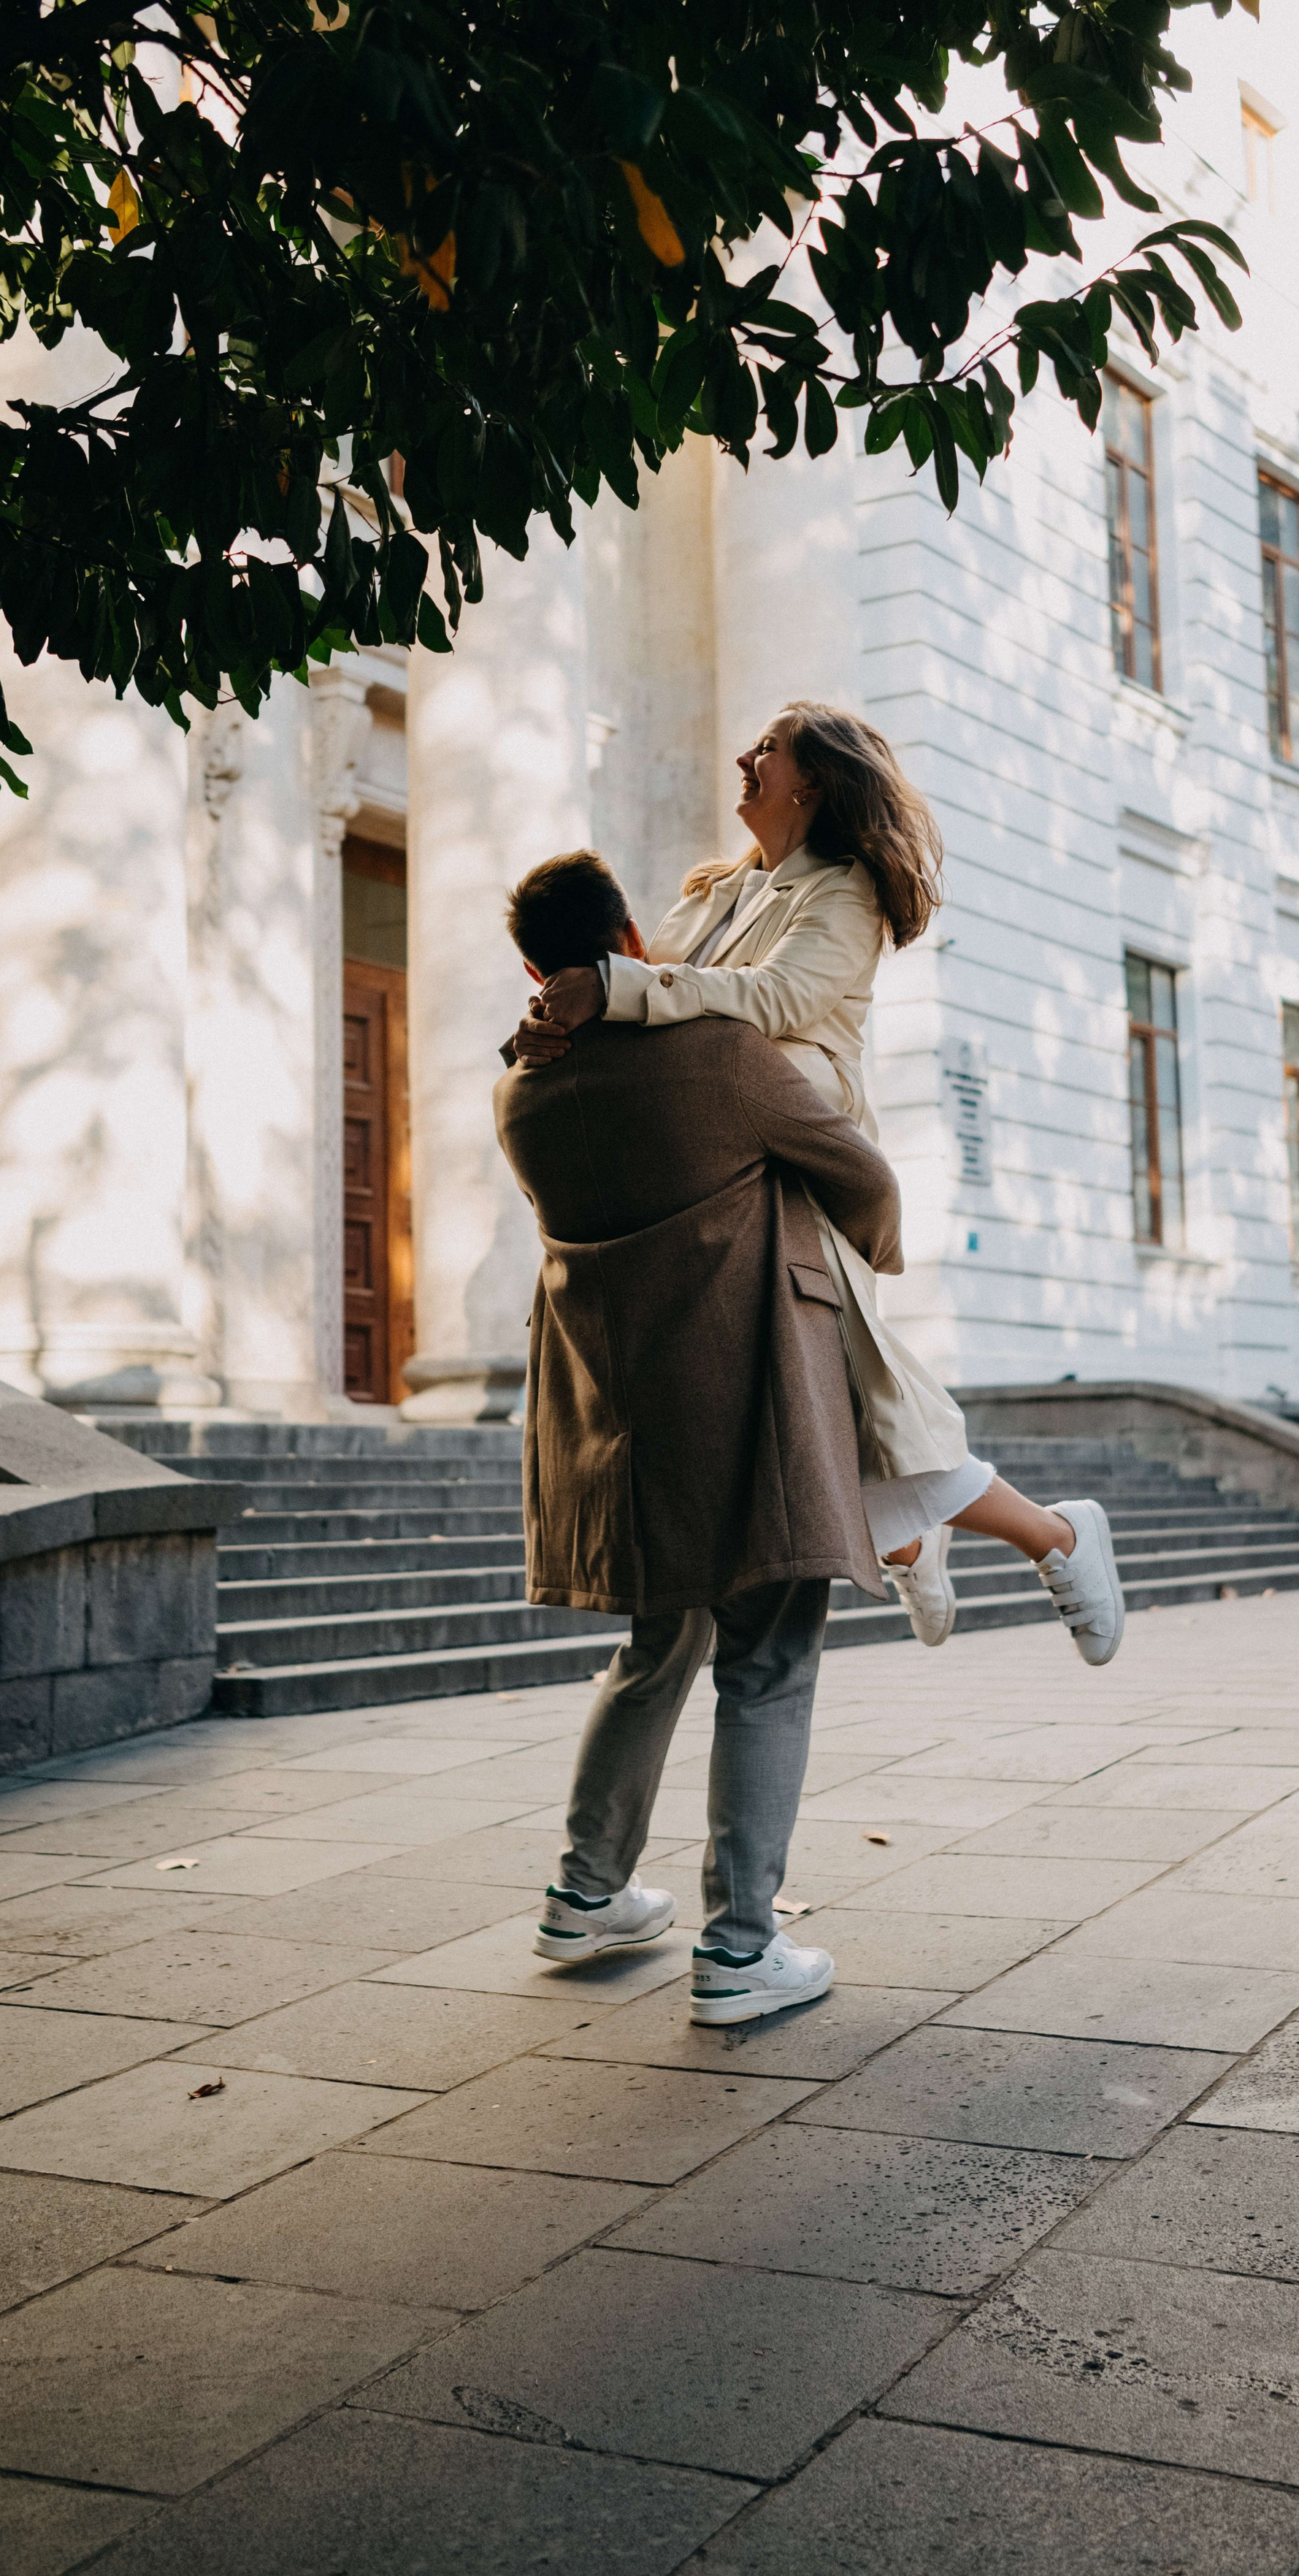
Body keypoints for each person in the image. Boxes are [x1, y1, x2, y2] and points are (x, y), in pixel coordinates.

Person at [513, 704, 1126, 1665]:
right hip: (724, 1176)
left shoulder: (843, 890)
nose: (743, 757)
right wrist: (547, 1025)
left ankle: (1053, 1535)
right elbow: (643, 1004)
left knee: (859, 1398)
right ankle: (934, 1539)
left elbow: (775, 1002)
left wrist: (623, 992)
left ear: (813, 781)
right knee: (833, 1407)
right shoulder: (717, 889)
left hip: (801, 1161)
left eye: (768, 750)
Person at [495, 848, 901, 2026]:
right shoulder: (719, 1056)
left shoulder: (519, 1090)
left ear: (536, 968)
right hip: (747, 1395)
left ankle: (586, 1893)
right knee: (770, 1656)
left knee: (656, 1647)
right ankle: (738, 1950)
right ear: (634, 940)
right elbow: (862, 1178)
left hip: (624, 1424)